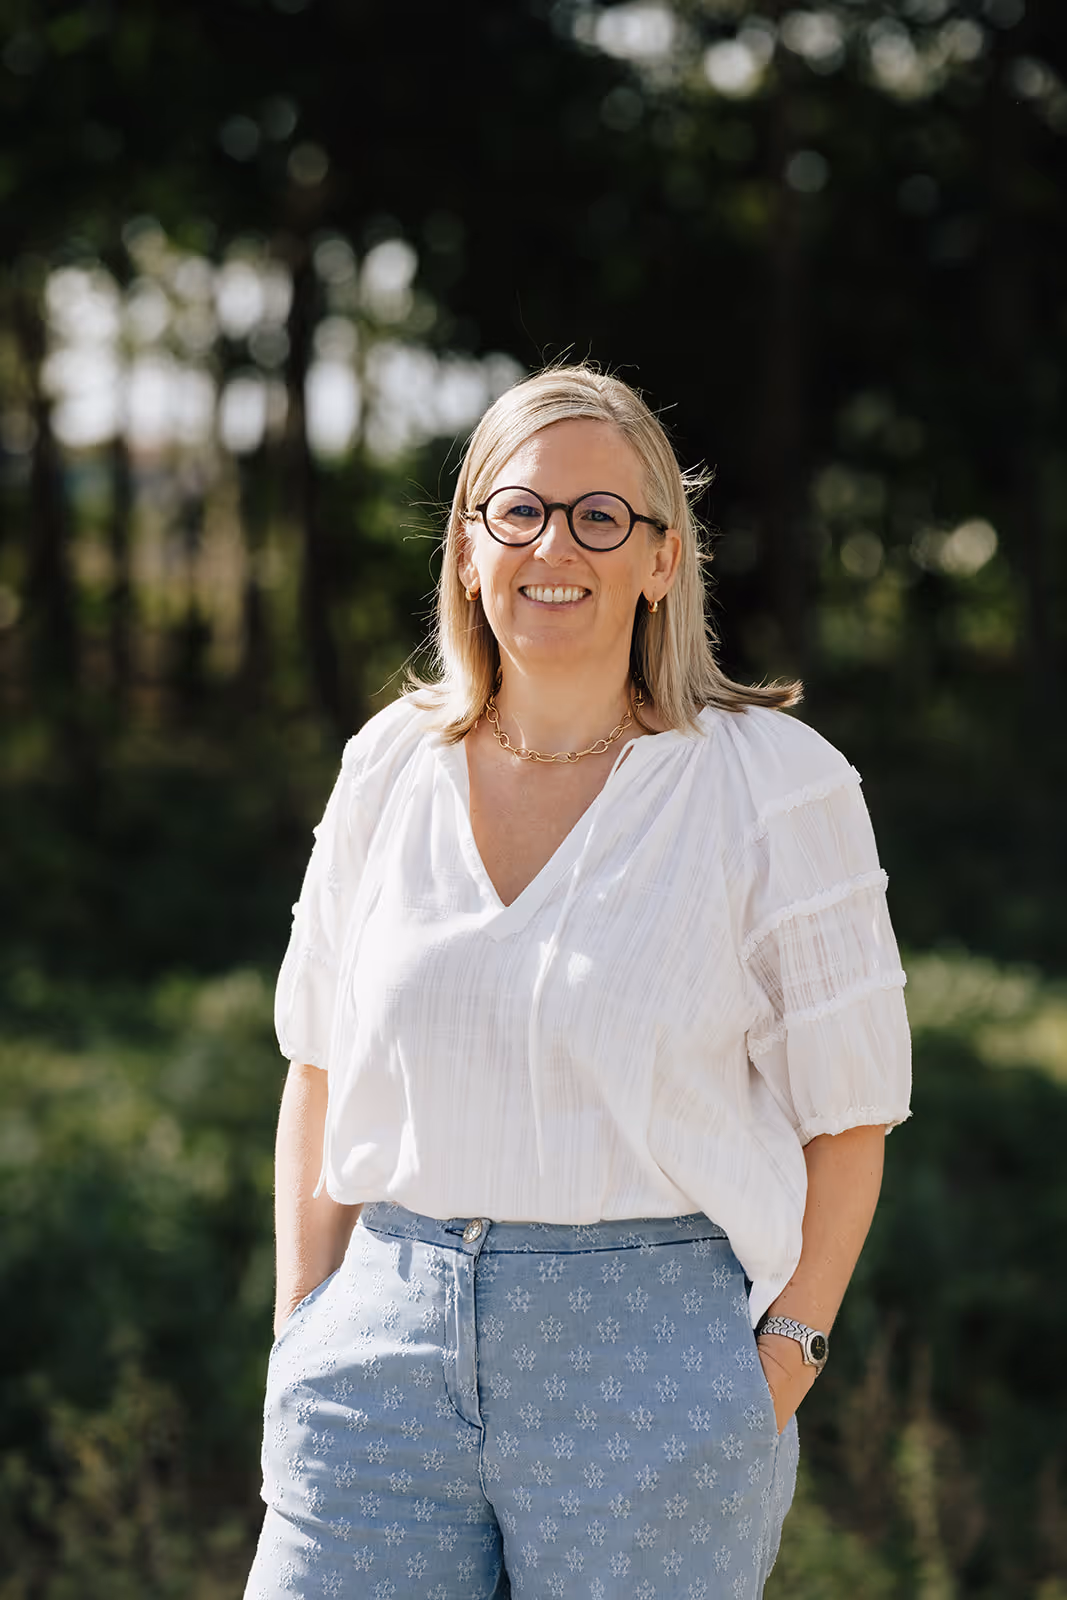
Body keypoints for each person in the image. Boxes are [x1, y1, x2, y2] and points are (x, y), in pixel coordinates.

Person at [244, 364, 912, 1600]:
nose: (556, 546)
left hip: (651, 1368)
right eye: (519, 511)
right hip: (376, 1360)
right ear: (465, 547)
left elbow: (850, 1116)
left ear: (662, 558)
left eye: (601, 516)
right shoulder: (386, 764)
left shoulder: (770, 782)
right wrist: (304, 1326)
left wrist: (782, 1358)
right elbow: (319, 1065)